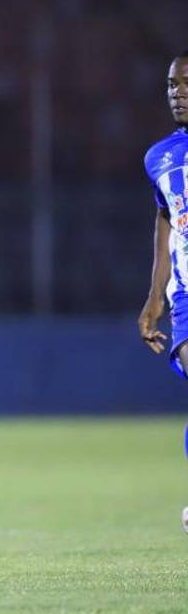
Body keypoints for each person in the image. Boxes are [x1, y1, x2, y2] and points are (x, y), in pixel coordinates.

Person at [136, 49, 188, 535]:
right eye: (172, 85)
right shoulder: (160, 156)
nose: (179, 93)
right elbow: (165, 220)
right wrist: (155, 299)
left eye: (186, 83)